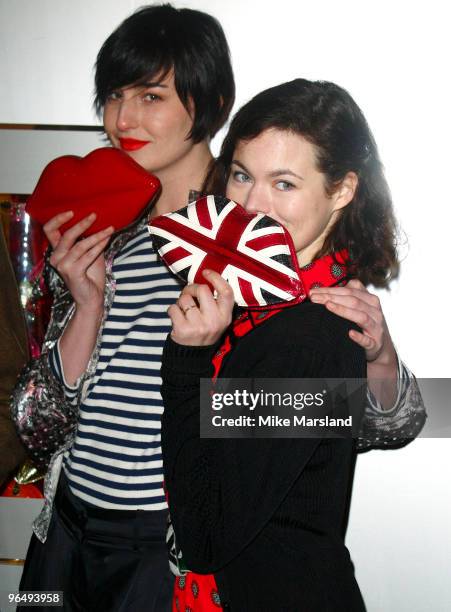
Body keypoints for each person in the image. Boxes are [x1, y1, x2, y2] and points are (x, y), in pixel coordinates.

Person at [11, 4, 423, 611]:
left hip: (161, 555)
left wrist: (381, 365)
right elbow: (34, 426)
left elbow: (341, 427)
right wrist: (88, 307)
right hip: (62, 537)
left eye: (151, 96)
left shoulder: (267, 256)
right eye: (114, 95)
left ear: (206, 104)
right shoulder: (100, 235)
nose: (123, 117)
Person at [160, 78, 426, 611]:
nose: (253, 204)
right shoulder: (255, 305)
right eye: (241, 175)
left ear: (343, 190)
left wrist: (185, 362)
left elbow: (206, 536)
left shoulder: (311, 333)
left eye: (284, 183)